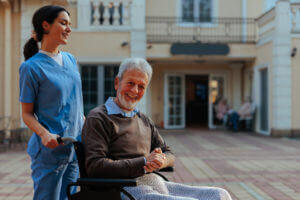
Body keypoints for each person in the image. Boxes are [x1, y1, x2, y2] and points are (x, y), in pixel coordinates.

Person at [82, 58, 232, 200]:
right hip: (122, 189)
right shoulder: (99, 118)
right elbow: (96, 167)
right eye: (130, 83)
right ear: (117, 83)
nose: (135, 90)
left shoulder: (143, 119)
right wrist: (144, 162)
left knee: (219, 194)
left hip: (155, 182)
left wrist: (161, 161)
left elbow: (169, 154)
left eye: (141, 86)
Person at [19, 5, 84, 200]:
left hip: (75, 148)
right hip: (49, 152)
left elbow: (74, 101)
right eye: (63, 23)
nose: (69, 29)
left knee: (70, 197)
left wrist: (83, 121)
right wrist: (44, 134)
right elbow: (26, 114)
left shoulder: (71, 60)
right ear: (45, 26)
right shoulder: (30, 67)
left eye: (69, 24)